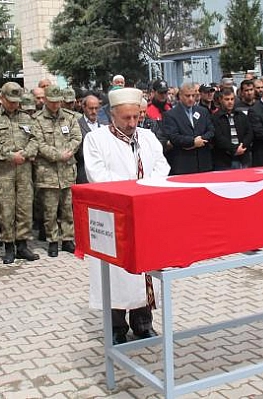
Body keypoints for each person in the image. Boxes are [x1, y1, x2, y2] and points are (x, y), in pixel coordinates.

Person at [83, 87, 171, 345]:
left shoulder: (147, 136)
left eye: (136, 117)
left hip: (145, 212)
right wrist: (131, 191)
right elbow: (97, 175)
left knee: (145, 267)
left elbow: (161, 165)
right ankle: (117, 328)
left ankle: (143, 323)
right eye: (126, 118)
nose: (132, 123)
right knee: (117, 273)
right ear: (112, 115)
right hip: (115, 216)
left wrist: (145, 189)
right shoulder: (96, 139)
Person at [0, 82, 41, 264]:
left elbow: (35, 139)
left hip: (23, 170)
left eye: (17, 101)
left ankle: (22, 245)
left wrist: (25, 153)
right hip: (3, 172)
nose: (14, 105)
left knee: (24, 208)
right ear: (2, 98)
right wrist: (9, 156)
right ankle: (8, 246)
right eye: (10, 101)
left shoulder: (26, 118)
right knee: (5, 210)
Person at [32, 85, 82, 257]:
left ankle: (68, 239)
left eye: (57, 102)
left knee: (68, 208)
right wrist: (57, 155)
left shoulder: (69, 118)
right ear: (45, 100)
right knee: (50, 210)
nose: (55, 105)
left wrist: (68, 151)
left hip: (67, 170)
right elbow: (38, 143)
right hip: (48, 172)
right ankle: (52, 240)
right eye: (51, 102)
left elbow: (77, 137)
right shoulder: (37, 120)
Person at [162, 82, 215, 174]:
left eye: (193, 95)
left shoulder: (203, 111)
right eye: (187, 96)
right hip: (184, 164)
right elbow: (174, 137)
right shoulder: (171, 115)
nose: (191, 99)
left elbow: (211, 130)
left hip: (204, 163)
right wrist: (193, 142)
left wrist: (201, 139)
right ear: (181, 95)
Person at [211, 88, 252, 169]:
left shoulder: (241, 115)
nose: (230, 102)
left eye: (232, 99)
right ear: (220, 99)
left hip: (243, 157)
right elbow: (218, 138)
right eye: (227, 99)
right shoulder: (215, 118)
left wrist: (242, 146)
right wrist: (234, 149)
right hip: (224, 160)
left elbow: (249, 133)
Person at [76, 95, 102, 184]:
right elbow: (78, 150)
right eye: (91, 108)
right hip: (85, 172)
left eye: (96, 108)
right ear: (83, 107)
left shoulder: (105, 123)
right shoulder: (77, 125)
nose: (94, 111)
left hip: (102, 173)